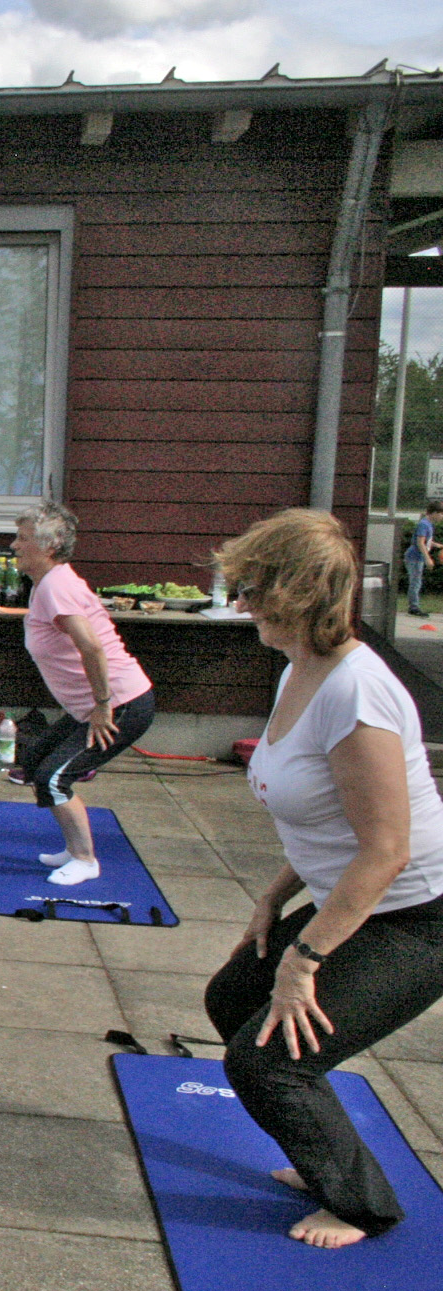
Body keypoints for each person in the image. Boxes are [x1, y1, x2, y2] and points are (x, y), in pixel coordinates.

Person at [203, 508, 443, 1249]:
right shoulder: (298, 672)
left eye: (249, 589)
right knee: (233, 997)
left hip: (418, 918)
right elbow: (324, 823)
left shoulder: (355, 692)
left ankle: (363, 1208)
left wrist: (303, 962)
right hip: (362, 898)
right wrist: (274, 898)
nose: (239, 603)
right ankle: (321, 1155)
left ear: (294, 594)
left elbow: (385, 849)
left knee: (266, 1064)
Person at [11, 502, 156, 887]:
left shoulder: (56, 586)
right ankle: (73, 846)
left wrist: (103, 705)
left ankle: (85, 859)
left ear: (50, 546)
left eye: (22, 539)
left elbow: (91, 647)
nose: (14, 545)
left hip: (121, 704)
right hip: (98, 706)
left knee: (53, 778)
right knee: (36, 759)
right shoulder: (49, 583)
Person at [405, 501, 440, 618]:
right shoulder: (424, 524)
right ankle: (413, 608)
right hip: (414, 557)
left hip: (418, 558)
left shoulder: (428, 524)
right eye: (441, 514)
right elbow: (420, 542)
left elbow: (426, 541)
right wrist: (428, 558)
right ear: (434, 513)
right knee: (415, 583)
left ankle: (414, 606)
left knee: (417, 582)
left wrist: (436, 545)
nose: (442, 517)